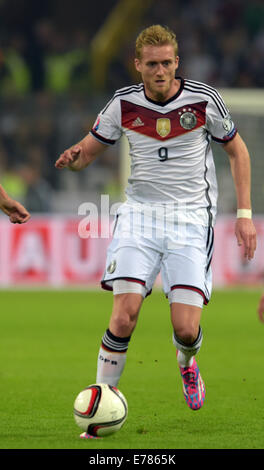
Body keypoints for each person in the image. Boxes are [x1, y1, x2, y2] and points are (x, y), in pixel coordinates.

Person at [55, 25, 256, 415]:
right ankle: (101, 402)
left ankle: (187, 363)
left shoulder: (204, 100)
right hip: (139, 219)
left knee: (185, 328)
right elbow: (89, 150)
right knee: (124, 315)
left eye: (167, 63)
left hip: (191, 220)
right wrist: (74, 157)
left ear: (177, 63)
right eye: (152, 64)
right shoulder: (122, 104)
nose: (160, 71)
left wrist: (244, 215)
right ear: (138, 65)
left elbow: (238, 151)